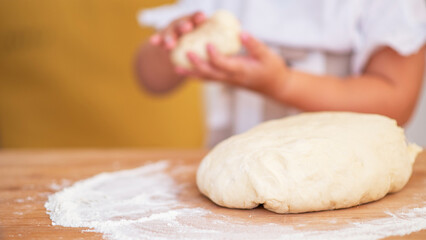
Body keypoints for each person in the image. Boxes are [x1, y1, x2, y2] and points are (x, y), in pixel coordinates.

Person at [136, 0, 426, 147]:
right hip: (232, 179)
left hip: (340, 172)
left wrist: (283, 84)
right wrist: (175, 46)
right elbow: (150, 79)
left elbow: (395, 100)